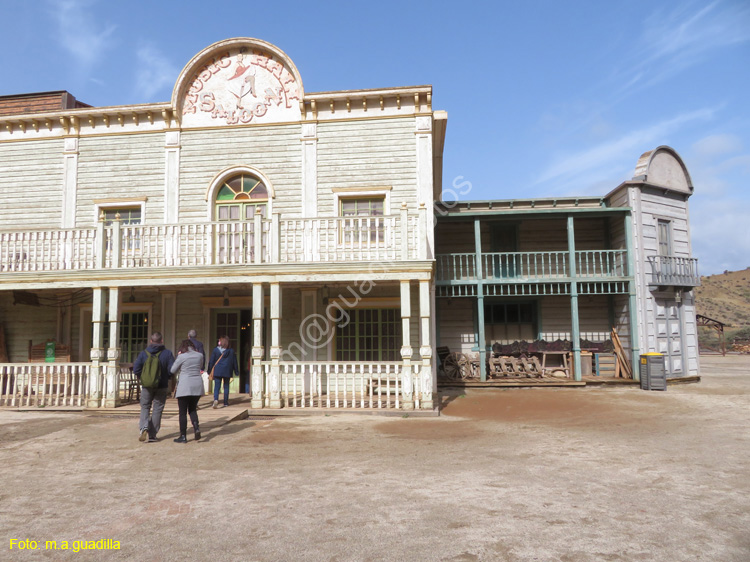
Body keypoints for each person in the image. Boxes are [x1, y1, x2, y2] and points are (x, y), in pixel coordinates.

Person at [133, 332, 175, 442]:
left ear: (151, 341)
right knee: (157, 408)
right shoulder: (167, 353)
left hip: (147, 386)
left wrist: (144, 378)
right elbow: (172, 370)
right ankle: (152, 435)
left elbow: (136, 369)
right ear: (162, 341)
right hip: (162, 385)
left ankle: (144, 427)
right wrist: (167, 377)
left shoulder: (143, 353)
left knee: (145, 406)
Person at [171, 339, 205, 443]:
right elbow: (200, 366)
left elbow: (172, 370)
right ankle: (196, 428)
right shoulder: (200, 356)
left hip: (185, 385)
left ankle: (183, 436)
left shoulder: (181, 357)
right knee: (193, 409)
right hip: (197, 384)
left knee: (182, 412)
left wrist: (178, 357)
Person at [207, 335, 239, 408]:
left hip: (218, 370)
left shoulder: (216, 350)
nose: (218, 342)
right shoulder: (231, 351)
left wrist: (209, 370)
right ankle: (225, 402)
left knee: (217, 386)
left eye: (219, 341)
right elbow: (234, 362)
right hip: (227, 370)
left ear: (221, 342)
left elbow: (211, 361)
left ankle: (216, 399)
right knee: (226, 386)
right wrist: (236, 371)